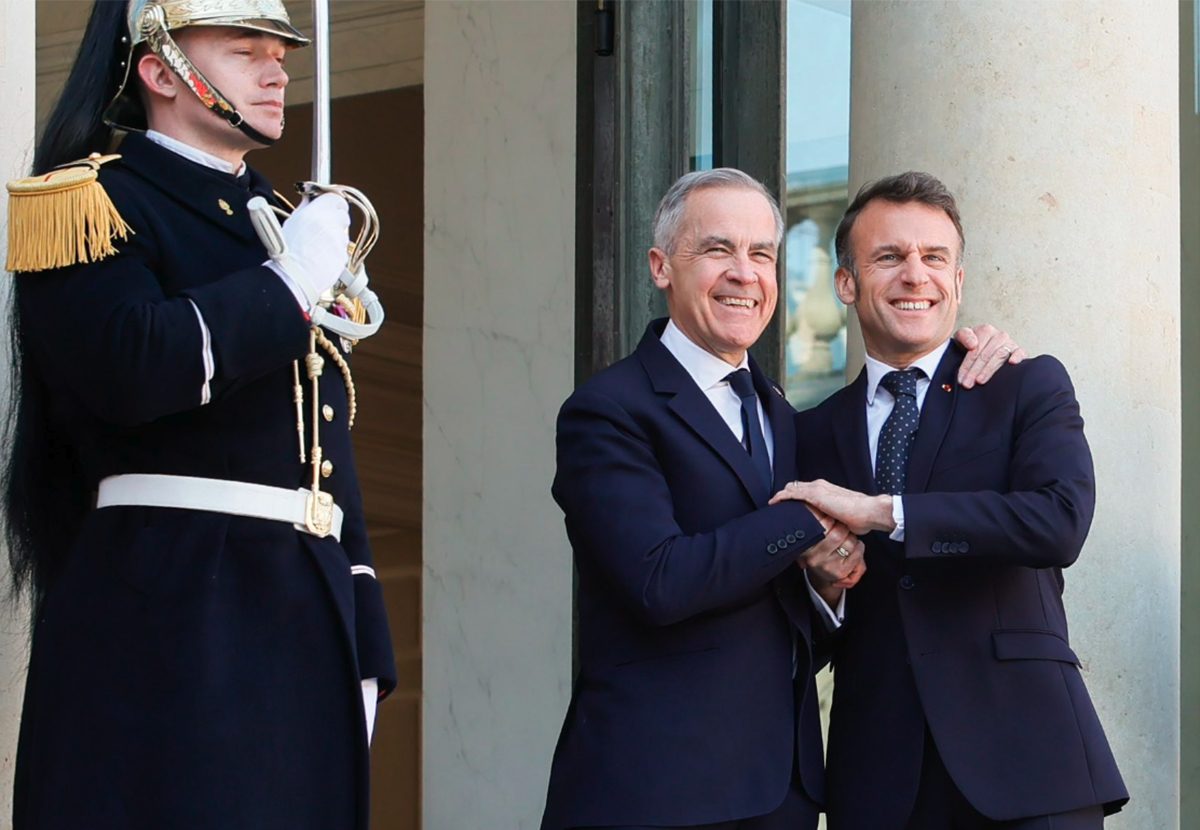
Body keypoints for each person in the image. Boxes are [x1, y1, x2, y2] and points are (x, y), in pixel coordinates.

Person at [3, 2, 394, 827]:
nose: (276, 71)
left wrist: (365, 638)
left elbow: (323, 449)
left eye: (279, 53)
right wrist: (288, 287)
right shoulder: (92, 204)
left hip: (302, 613)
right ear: (160, 71)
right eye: (244, 51)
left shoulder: (283, 227)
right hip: (171, 607)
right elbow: (134, 366)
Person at [540, 168, 1020, 830]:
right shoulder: (608, 409)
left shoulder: (785, 418)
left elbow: (786, 616)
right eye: (717, 249)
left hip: (781, 795)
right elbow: (658, 581)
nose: (744, 273)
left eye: (762, 254)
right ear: (660, 267)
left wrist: (824, 588)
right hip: (651, 789)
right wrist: (803, 516)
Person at [772, 171, 1128, 829]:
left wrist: (887, 512)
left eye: (934, 258)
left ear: (958, 282)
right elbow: (789, 626)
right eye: (890, 256)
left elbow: (1060, 522)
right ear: (846, 283)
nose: (916, 275)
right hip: (878, 777)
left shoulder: (1024, 385)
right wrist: (823, 589)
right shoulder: (807, 434)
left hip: (1028, 765)